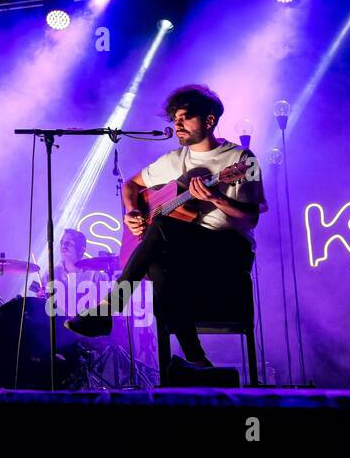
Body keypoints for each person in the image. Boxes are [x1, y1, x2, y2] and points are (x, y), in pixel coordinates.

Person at [66, 84, 265, 367]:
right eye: (174, 118)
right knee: (158, 261)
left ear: (209, 120)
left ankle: (109, 308)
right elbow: (132, 185)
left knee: (161, 226)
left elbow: (250, 218)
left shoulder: (242, 159)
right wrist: (133, 210)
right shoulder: (174, 160)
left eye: (185, 117)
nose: (177, 124)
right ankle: (198, 360)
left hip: (229, 249)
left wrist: (216, 198)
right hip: (186, 251)